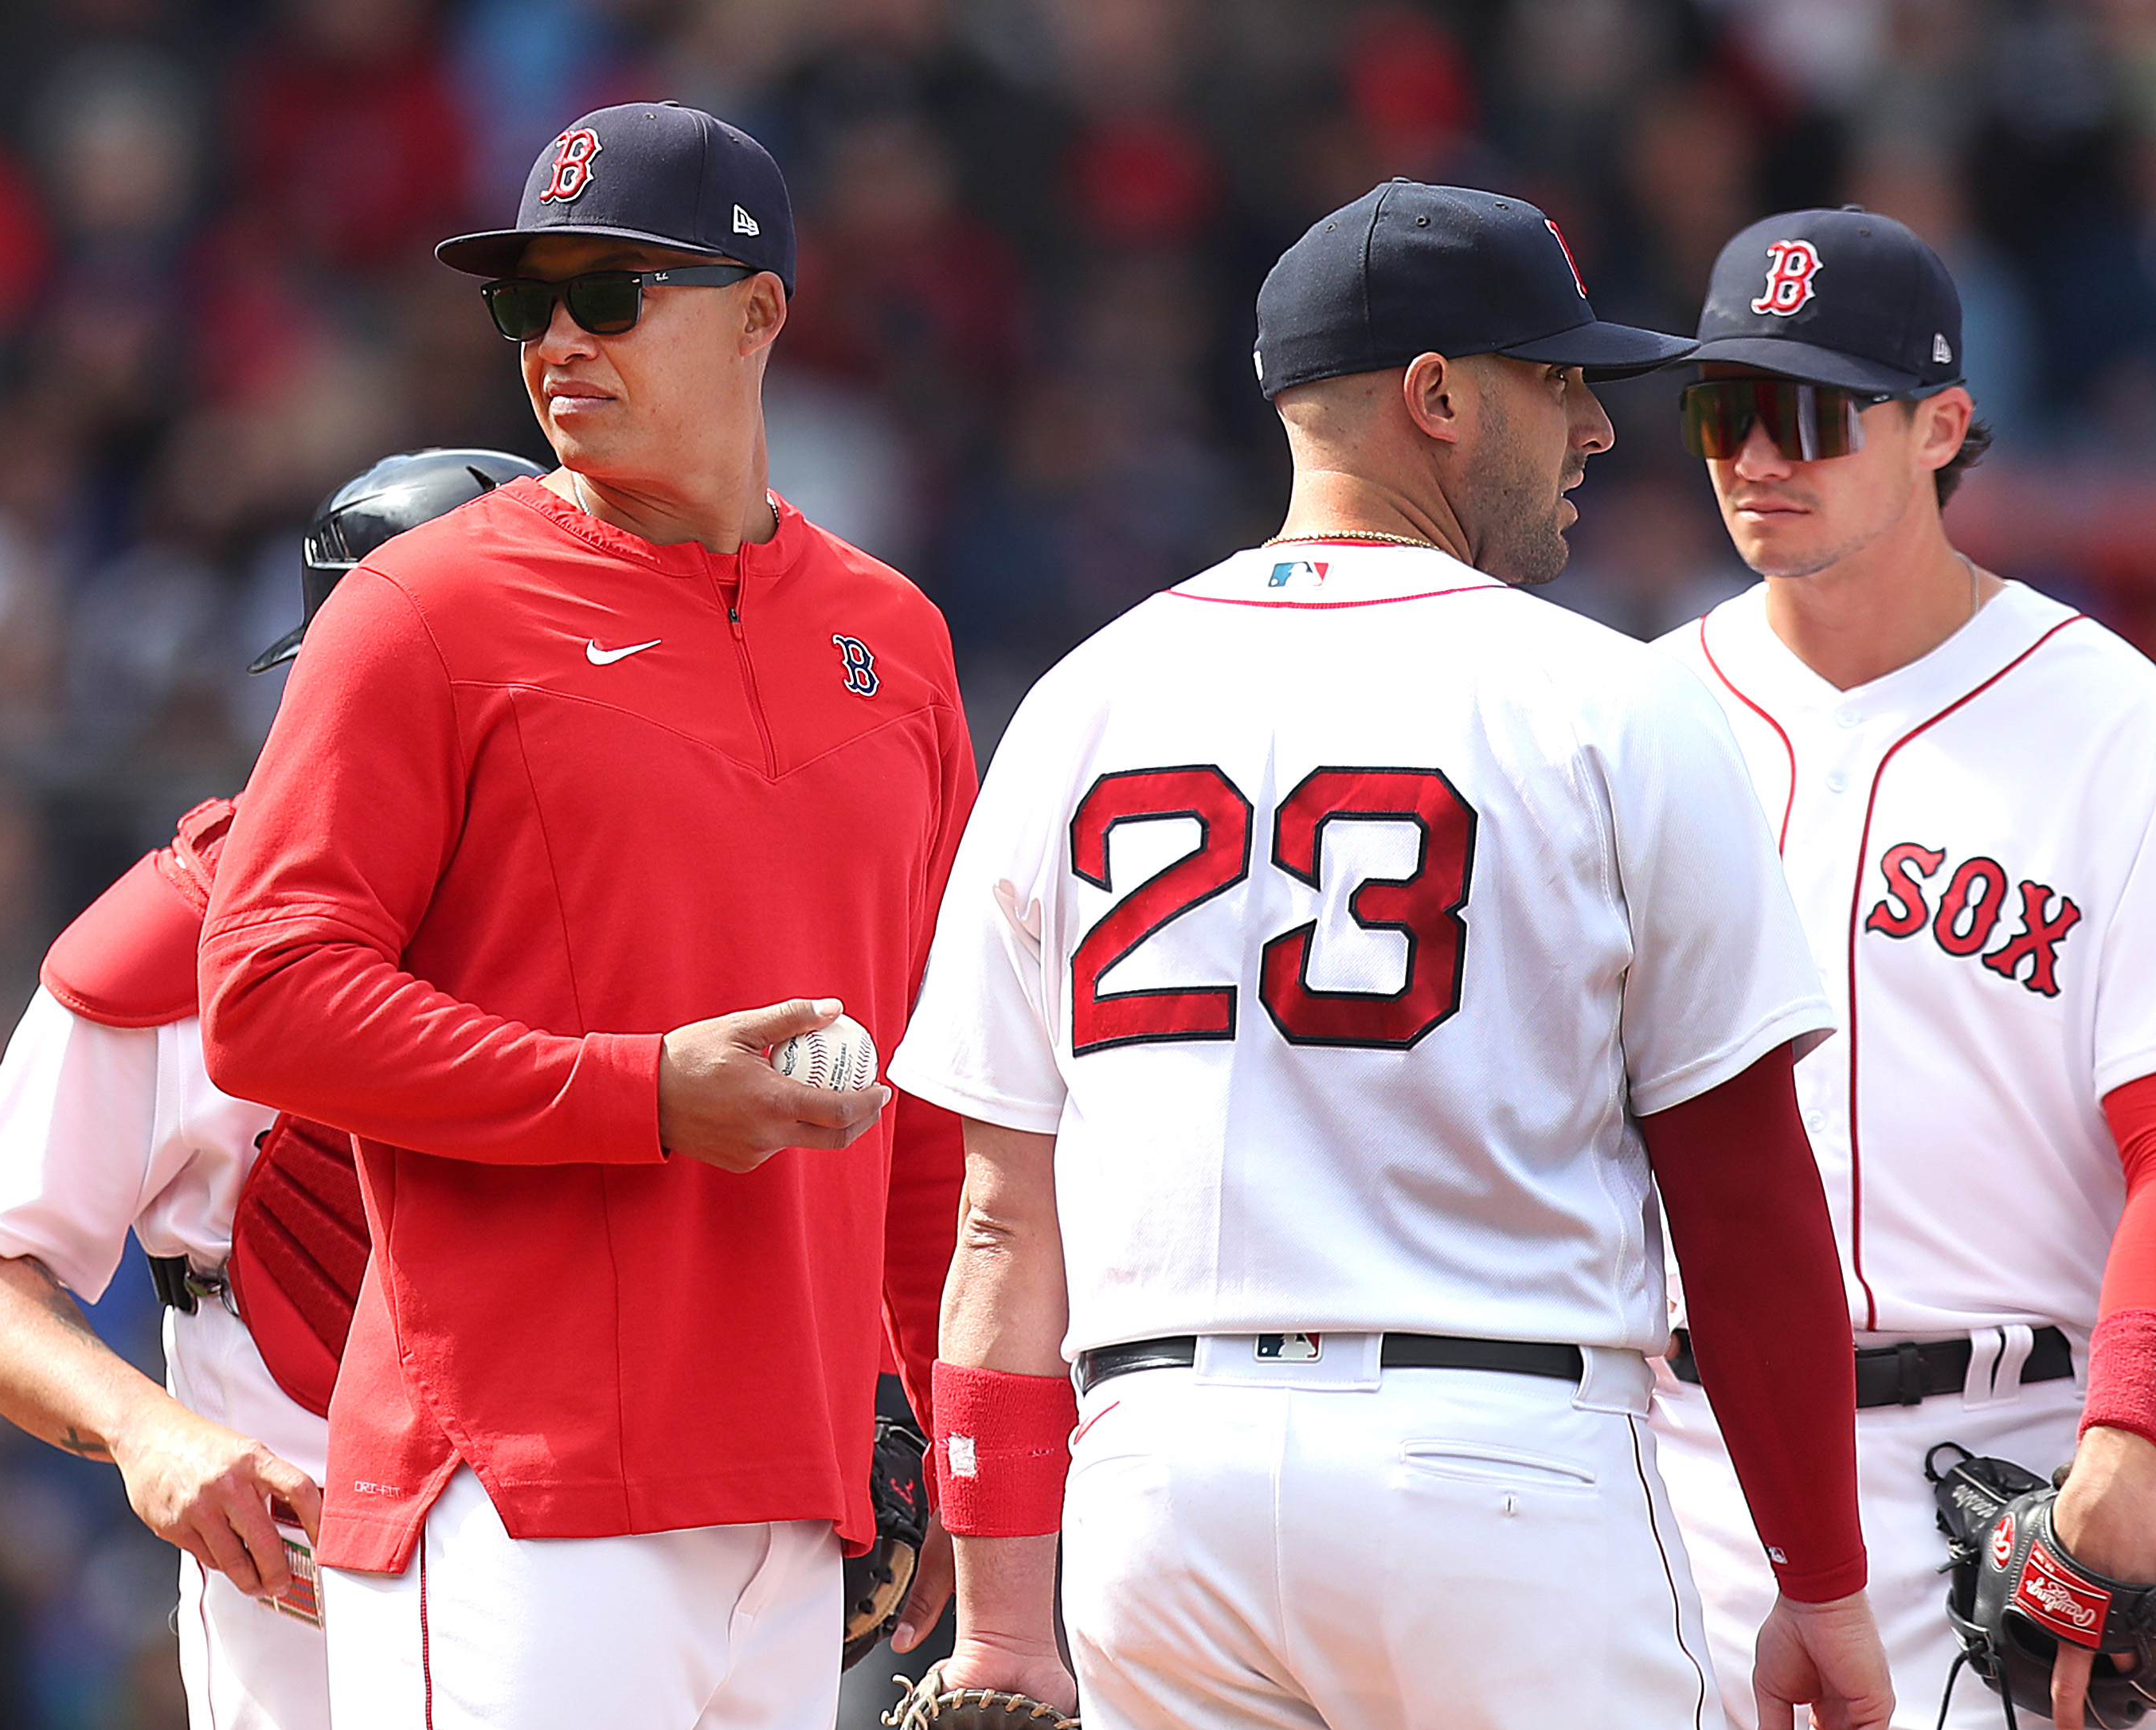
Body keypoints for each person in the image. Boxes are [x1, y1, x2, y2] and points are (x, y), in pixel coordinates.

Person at [886, 179, 1897, 1730]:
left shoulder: (1081, 704)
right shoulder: (1607, 703)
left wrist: (1008, 1621)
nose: (1597, 430)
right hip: (1497, 1469)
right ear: (1436, 399)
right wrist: (1820, 1580)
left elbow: (1005, 1226)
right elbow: (1744, 1193)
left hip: (1163, 1484)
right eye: (1557, 382)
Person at [194, 102, 975, 1730]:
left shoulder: (893, 640)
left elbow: (931, 1095)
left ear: (761, 312)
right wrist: (641, 1093)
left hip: (809, 1495)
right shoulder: (425, 607)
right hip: (514, 1478)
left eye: (611, 293)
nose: (559, 336)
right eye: (526, 299)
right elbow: (265, 994)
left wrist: (946, 1428)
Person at [0, 447, 542, 1730]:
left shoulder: (641, 898)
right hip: (311, 1610)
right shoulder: (184, 935)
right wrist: (151, 1436)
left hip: (604, 1560)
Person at [1646, 207, 2156, 1730]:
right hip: (1674, 1462)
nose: (1758, 455)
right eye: (1721, 409)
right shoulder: (1639, 715)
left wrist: (2128, 1449)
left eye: (1810, 413)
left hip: (2008, 1473)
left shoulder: (2110, 725)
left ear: (1944, 428)